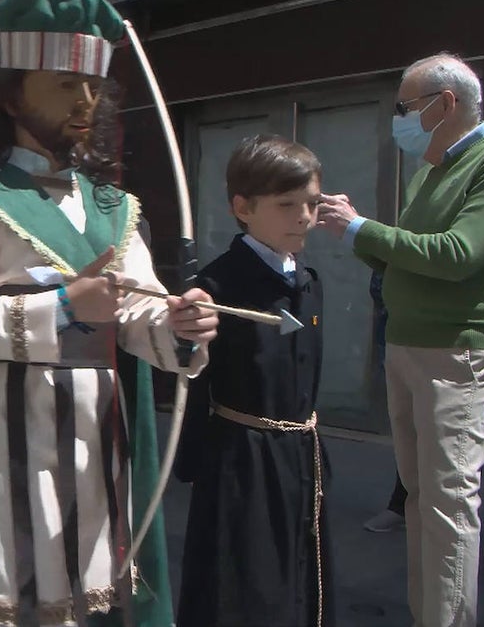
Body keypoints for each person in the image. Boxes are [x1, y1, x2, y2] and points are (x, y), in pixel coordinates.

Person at [0, 0, 218, 627]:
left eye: (93, 86)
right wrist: (61, 306)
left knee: (97, 588)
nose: (85, 101)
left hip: (100, 438)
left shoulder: (116, 208)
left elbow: (139, 315)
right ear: (11, 95)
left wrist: (179, 325)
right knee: (23, 590)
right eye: (63, 85)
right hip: (10, 432)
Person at [317, 53, 484, 627]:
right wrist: (357, 227)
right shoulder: (435, 168)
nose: (399, 118)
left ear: (446, 103)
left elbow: (459, 255)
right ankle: (426, 614)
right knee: (421, 499)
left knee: (448, 503)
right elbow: (407, 252)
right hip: (409, 346)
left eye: (405, 107)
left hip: (459, 350)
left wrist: (362, 228)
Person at [174, 135, 331, 627]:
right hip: (242, 461)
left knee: (301, 578)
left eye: (310, 203)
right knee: (245, 584)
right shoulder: (216, 289)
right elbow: (192, 378)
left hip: (301, 454)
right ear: (243, 207)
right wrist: (195, 459)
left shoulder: (309, 282)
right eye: (286, 205)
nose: (303, 217)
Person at [363, 272, 408, 533]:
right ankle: (402, 503)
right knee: (403, 420)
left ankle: (408, 502)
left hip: (434, 326)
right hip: (396, 320)